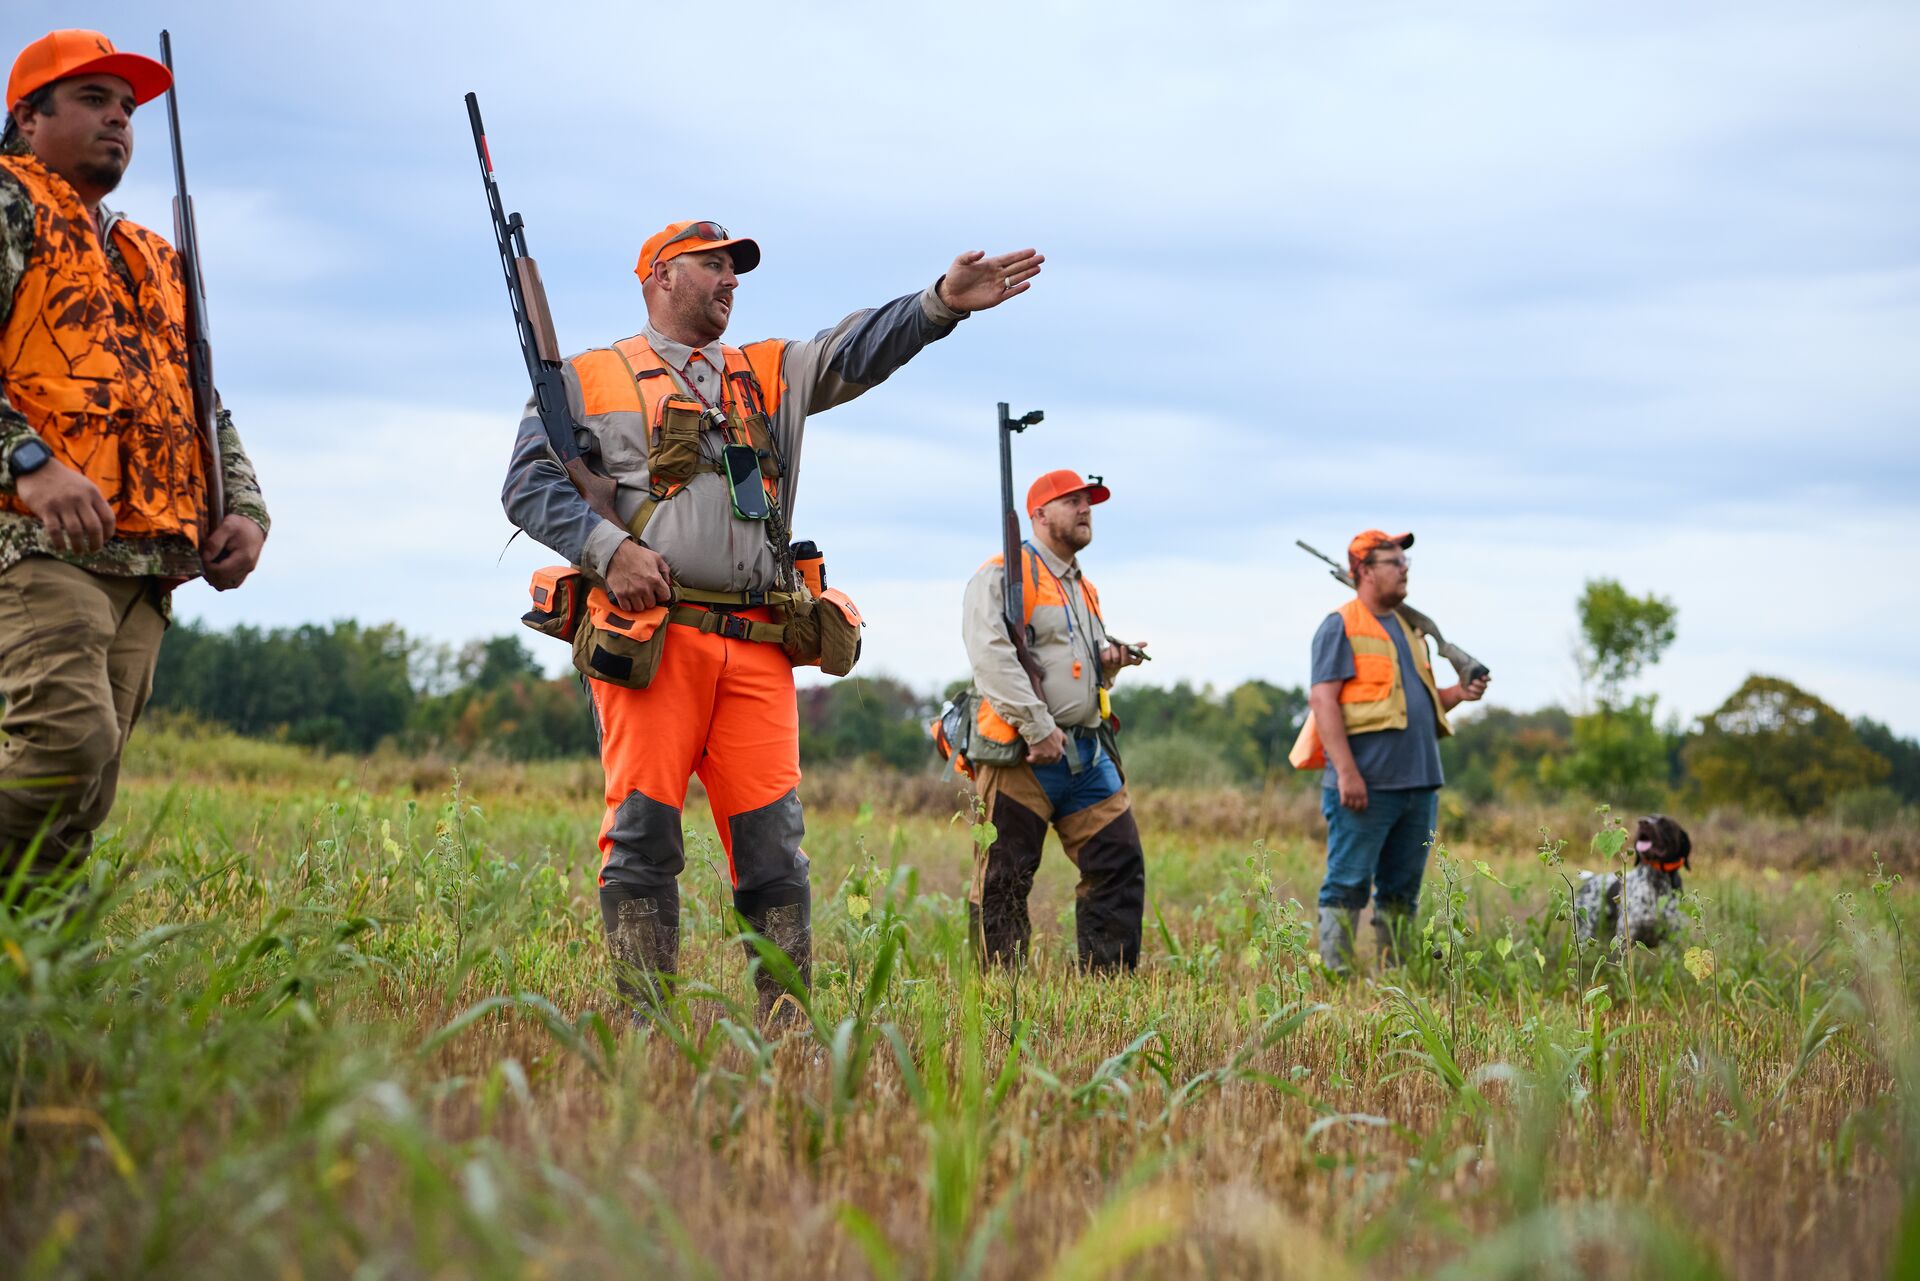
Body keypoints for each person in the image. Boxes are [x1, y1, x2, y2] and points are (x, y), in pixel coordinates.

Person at [502, 218, 1041, 1021]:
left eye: (735, 268)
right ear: (660, 277)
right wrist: (609, 551)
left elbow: (855, 348)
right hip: (655, 641)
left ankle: (788, 1031)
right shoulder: (587, 377)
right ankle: (645, 1031)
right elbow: (528, 486)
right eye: (712, 264)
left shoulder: (768, 370)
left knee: (776, 853)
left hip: (759, 643)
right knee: (643, 839)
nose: (730, 279)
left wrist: (938, 303)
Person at [0, 30, 269, 896]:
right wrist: (27, 462)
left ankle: (39, 972)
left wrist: (246, 509)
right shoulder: (9, 205)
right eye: (93, 100)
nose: (119, 118)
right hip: (35, 540)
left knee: (81, 798)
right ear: (27, 117)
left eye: (127, 107)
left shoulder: (151, 254)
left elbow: (203, 402)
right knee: (62, 746)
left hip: (147, 560)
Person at [959, 470, 1148, 972]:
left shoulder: (1082, 587)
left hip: (1086, 752)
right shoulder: (1001, 575)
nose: (1086, 509)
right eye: (1073, 501)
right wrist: (1038, 727)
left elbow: (1073, 666)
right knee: (1003, 878)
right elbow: (992, 659)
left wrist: (1110, 664)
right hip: (1021, 754)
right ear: (1039, 514)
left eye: (1089, 501)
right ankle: (1001, 994)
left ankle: (1108, 987)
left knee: (1118, 862)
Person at [1289, 530, 1487, 974]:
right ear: (1362, 571)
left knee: (1402, 891)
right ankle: (1336, 974)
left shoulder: (1411, 630)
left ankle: (1393, 976)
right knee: (1347, 882)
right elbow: (1323, 701)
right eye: (1393, 562)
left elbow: (1416, 703)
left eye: (1405, 561)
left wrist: (1458, 693)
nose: (1403, 569)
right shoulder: (1340, 625)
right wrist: (1347, 774)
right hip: (1366, 785)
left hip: (1420, 784)